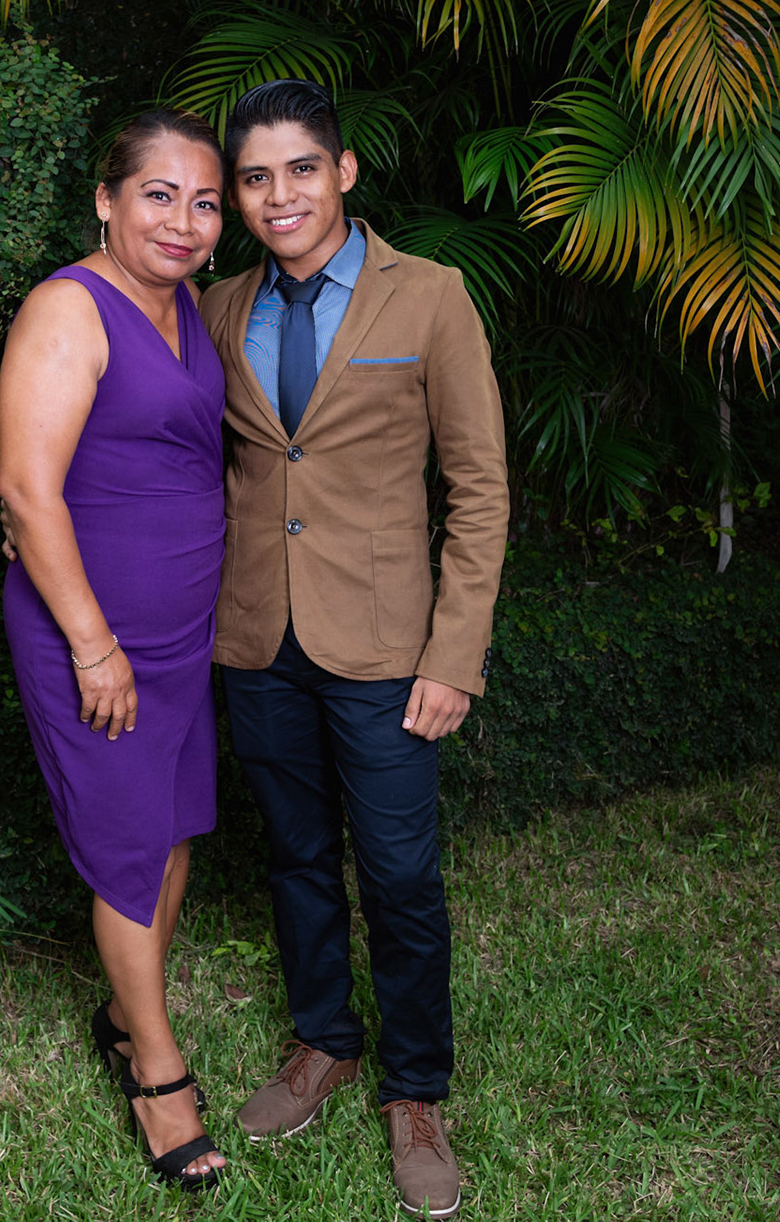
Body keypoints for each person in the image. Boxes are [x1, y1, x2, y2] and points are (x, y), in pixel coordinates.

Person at [203, 79, 509, 1219]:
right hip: (256, 637)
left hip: (387, 647)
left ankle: (415, 1088)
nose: (278, 194)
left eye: (300, 168)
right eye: (254, 177)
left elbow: (479, 488)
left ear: (343, 171)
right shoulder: (217, 308)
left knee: (399, 875)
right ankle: (324, 1041)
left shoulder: (430, 297)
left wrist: (454, 654)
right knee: (294, 858)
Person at [0, 108, 230, 1191]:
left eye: (205, 202)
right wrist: (93, 647)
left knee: (172, 832)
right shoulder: (68, 307)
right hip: (96, 635)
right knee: (132, 846)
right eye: (159, 194)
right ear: (106, 199)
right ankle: (158, 1074)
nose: (183, 220)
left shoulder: (187, 306)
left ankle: (124, 1014)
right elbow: (26, 488)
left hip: (179, 635)